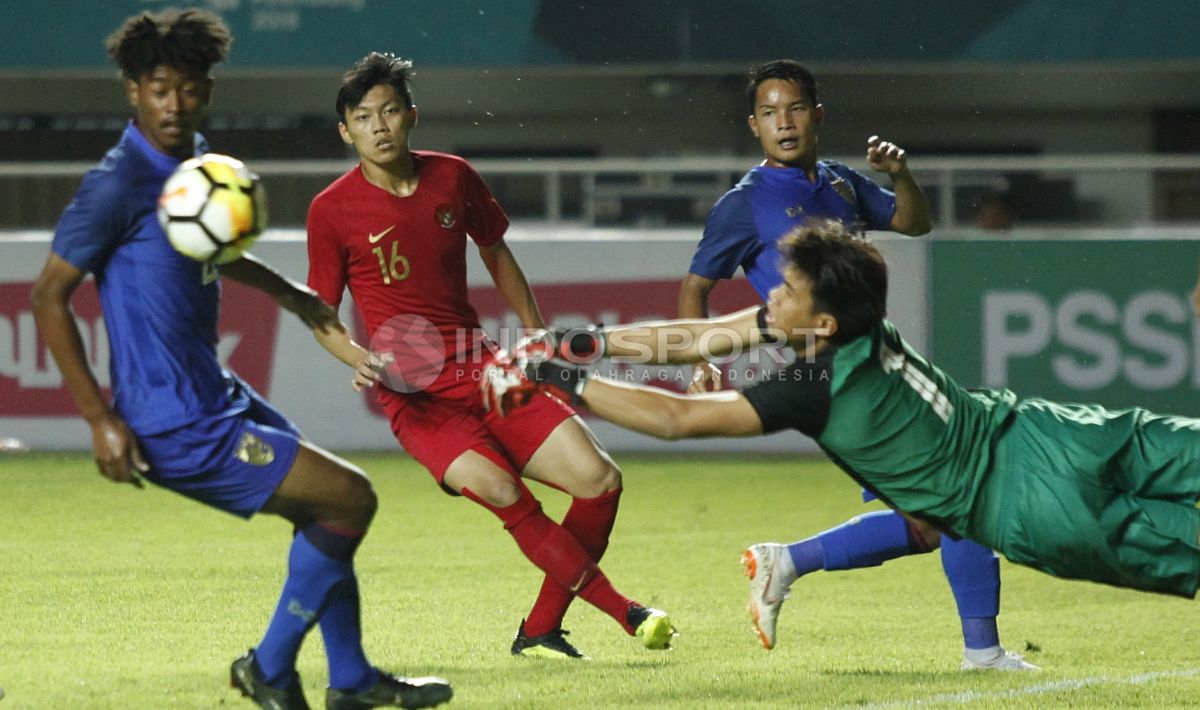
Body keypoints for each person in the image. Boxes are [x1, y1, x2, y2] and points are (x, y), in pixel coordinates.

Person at [29, 11, 450, 710]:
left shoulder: (196, 162)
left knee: (327, 513)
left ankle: (349, 682)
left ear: (207, 93)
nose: (174, 105)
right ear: (133, 91)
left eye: (189, 89)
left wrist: (287, 292)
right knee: (350, 498)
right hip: (172, 420)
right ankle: (269, 669)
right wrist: (99, 421)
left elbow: (207, 243)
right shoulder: (115, 185)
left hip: (212, 392)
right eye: (159, 89)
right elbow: (49, 298)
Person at [485, 219, 1200, 609]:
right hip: (1047, 431)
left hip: (1027, 506)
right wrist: (583, 344)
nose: (772, 295)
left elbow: (678, 421)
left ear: (819, 321)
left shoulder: (809, 382)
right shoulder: (856, 319)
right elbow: (698, 339)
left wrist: (557, 379)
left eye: (787, 288)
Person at [304, 52, 674, 660]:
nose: (379, 125)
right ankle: (626, 612)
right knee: (504, 494)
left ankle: (540, 628)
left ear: (411, 116)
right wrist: (353, 355)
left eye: (390, 110)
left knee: (600, 480)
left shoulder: (452, 176)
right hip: (417, 400)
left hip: (487, 370)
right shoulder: (331, 209)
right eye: (363, 117)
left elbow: (497, 253)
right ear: (346, 131)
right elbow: (320, 312)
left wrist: (534, 337)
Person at [674, 60, 1028, 670]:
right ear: (753, 125)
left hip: (879, 363)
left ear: (817, 115)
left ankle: (785, 563)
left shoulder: (839, 183)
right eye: (768, 112)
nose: (782, 122)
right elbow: (694, 286)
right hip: (835, 375)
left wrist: (901, 174)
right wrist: (703, 359)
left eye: (793, 109)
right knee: (962, 495)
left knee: (930, 518)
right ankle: (983, 654)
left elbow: (915, 224)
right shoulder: (745, 203)